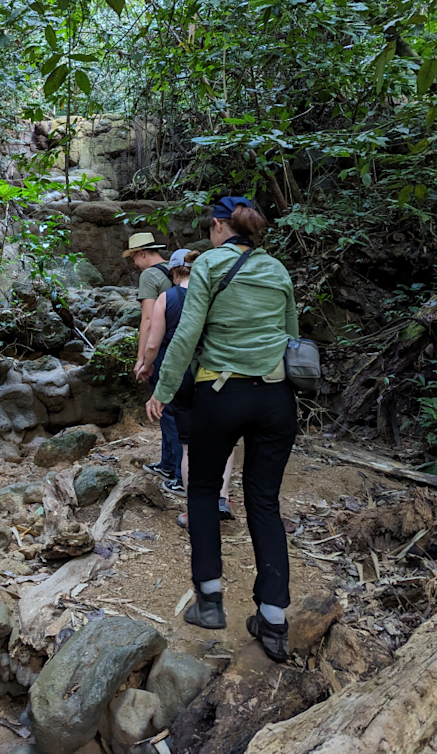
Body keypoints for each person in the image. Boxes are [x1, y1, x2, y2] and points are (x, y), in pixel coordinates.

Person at [146, 196, 299, 662]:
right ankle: (272, 619)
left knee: (204, 489)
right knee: (264, 501)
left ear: (218, 227)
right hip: (275, 398)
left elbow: (187, 334)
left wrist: (163, 390)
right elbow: (292, 332)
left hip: (222, 394)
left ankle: (209, 602)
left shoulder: (210, 263)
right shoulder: (276, 269)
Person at [137, 249, 236, 524]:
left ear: (174, 271)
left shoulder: (166, 298)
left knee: (190, 445)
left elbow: (154, 343)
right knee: (223, 439)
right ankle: (222, 498)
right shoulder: (216, 294)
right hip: (217, 374)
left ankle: (195, 507)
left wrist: (145, 364)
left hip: (182, 375)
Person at [123, 232, 181, 495]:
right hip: (183, 346)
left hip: (163, 348)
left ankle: (177, 472)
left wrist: (142, 358)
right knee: (173, 409)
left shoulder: (149, 276)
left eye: (133, 257)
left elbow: (147, 319)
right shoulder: (175, 269)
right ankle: (168, 464)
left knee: (167, 411)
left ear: (142, 253)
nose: (134, 263)